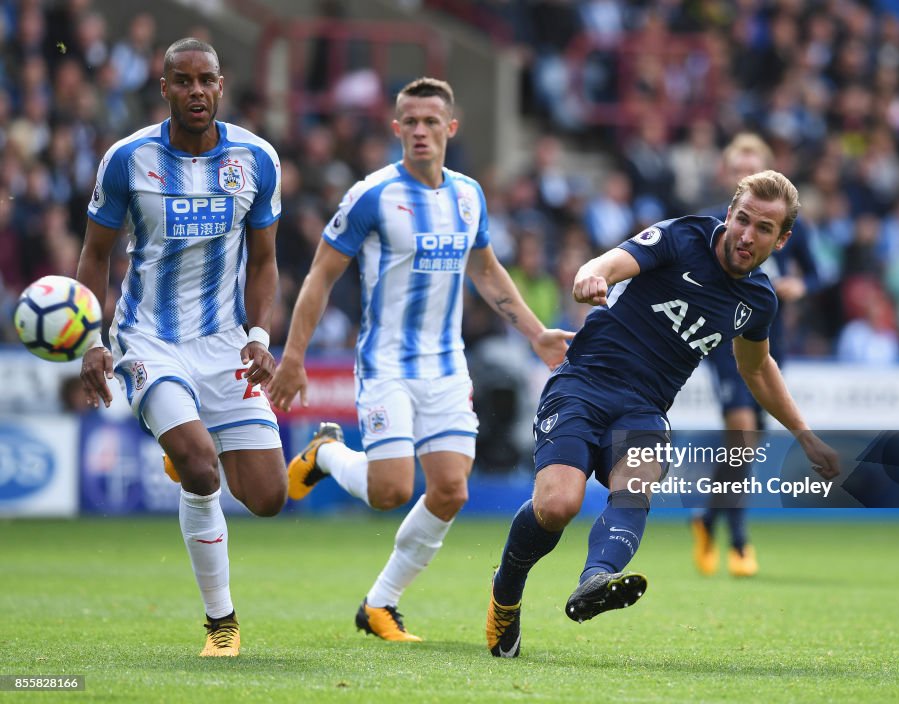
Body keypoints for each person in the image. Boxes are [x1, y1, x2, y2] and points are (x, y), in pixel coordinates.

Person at [486, 170, 840, 658]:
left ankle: (595, 582)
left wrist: (803, 433)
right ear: (730, 213)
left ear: (782, 240)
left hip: (645, 408)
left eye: (763, 229)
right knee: (558, 506)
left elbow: (757, 371)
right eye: (742, 220)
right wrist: (593, 274)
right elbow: (611, 261)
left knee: (636, 483)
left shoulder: (758, 301)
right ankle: (505, 592)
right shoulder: (683, 236)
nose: (746, 235)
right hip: (583, 383)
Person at [266, 77, 572, 642]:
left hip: (446, 366)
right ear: (397, 128)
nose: (422, 131)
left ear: (451, 128)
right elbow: (320, 276)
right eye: (411, 121)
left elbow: (484, 269)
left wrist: (535, 334)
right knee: (389, 491)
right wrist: (294, 356)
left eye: (432, 121)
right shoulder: (372, 195)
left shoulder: (468, 195)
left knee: (452, 490)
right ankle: (327, 453)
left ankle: (380, 604)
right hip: (386, 365)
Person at [77, 38, 286, 658]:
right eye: (183, 80)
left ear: (221, 86)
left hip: (225, 342)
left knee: (268, 498)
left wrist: (258, 336)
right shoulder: (127, 159)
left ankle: (187, 447)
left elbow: (267, 260)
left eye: (207, 80)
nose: (196, 91)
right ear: (163, 87)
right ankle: (221, 624)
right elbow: (95, 253)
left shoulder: (257, 159)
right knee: (200, 465)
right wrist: (92, 337)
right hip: (149, 337)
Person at [693, 133, 821, 578]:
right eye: (737, 171)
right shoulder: (713, 223)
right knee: (742, 430)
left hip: (767, 336)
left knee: (745, 446)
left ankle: (708, 518)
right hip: (724, 339)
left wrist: (799, 286)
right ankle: (741, 543)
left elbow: (819, 273)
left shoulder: (788, 226)